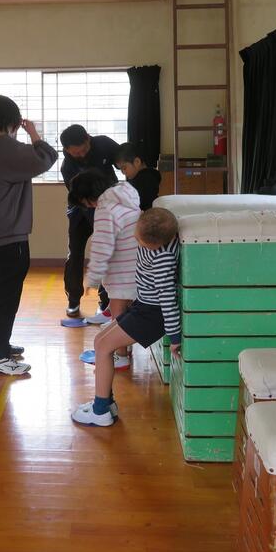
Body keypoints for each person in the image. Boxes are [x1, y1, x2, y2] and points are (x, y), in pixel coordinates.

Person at [0, 94, 57, 376]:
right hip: (4, 233)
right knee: (5, 296)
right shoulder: (3, 147)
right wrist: (34, 134)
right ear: (11, 122)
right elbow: (46, 157)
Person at [71, 207, 180, 427]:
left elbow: (168, 299)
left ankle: (100, 411)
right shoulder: (159, 235)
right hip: (143, 307)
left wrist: (175, 336)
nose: (136, 241)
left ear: (152, 244)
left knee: (103, 347)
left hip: (152, 315)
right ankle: (106, 403)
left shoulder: (162, 258)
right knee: (100, 342)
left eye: (138, 241)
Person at [67, 169, 140, 369]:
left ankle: (120, 355)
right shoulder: (126, 194)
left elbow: (102, 246)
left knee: (118, 312)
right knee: (126, 311)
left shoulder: (105, 210)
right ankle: (125, 349)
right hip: (137, 263)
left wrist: (93, 278)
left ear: (89, 197)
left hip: (121, 270)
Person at [60, 124, 120, 323]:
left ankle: (105, 301)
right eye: (76, 153)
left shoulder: (104, 144)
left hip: (107, 207)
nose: (81, 155)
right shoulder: (67, 167)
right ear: (67, 150)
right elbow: (78, 196)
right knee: (75, 252)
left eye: (84, 149)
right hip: (80, 210)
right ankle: (73, 299)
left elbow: (125, 161)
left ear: (88, 138)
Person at [115, 142, 161, 211]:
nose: (123, 172)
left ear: (137, 162)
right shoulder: (146, 176)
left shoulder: (145, 179)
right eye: (120, 169)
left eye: (124, 168)